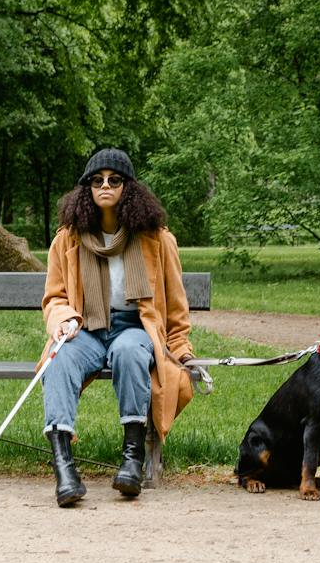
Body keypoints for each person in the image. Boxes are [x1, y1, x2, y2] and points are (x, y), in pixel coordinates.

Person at [40, 148, 203, 507]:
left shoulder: (156, 239)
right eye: (96, 180)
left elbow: (175, 305)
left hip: (133, 326)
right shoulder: (67, 239)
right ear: (86, 189)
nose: (105, 185)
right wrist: (63, 319)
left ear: (128, 188)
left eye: (114, 180)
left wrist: (182, 350)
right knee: (59, 359)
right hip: (86, 328)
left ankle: (132, 459)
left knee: (131, 351)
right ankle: (64, 468)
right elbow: (54, 298)